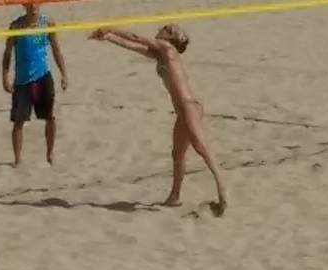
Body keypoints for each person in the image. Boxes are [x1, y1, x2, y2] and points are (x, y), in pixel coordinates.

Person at [90, 24, 226, 214]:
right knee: (177, 154)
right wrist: (108, 38)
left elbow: (136, 35)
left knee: (200, 146)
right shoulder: (161, 55)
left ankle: (222, 188)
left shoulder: (168, 49)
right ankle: (175, 197)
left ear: (170, 38)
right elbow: (133, 46)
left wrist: (110, 27)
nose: (161, 28)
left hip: (189, 106)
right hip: (182, 111)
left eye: (166, 28)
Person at [2, 0, 68, 165]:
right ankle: (17, 159)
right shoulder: (16, 26)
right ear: (23, 5)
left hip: (43, 77)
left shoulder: (47, 23)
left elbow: (56, 50)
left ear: (40, 2)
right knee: (18, 121)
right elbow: (8, 52)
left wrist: (63, 74)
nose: (33, 6)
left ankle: (50, 153)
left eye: (35, 2)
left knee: (50, 117)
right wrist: (4, 76)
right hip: (22, 81)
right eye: (29, 3)